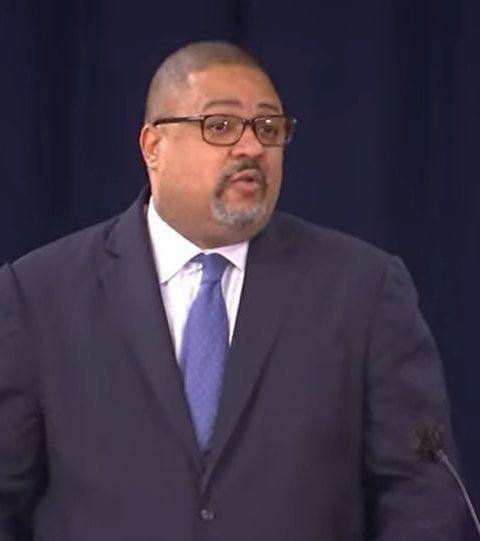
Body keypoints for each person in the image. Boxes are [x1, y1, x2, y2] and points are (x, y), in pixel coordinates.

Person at [0, 40, 464, 540]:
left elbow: (422, 491)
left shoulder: (362, 291)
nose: (251, 148)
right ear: (153, 147)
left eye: (268, 128)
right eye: (220, 126)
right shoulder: (39, 295)